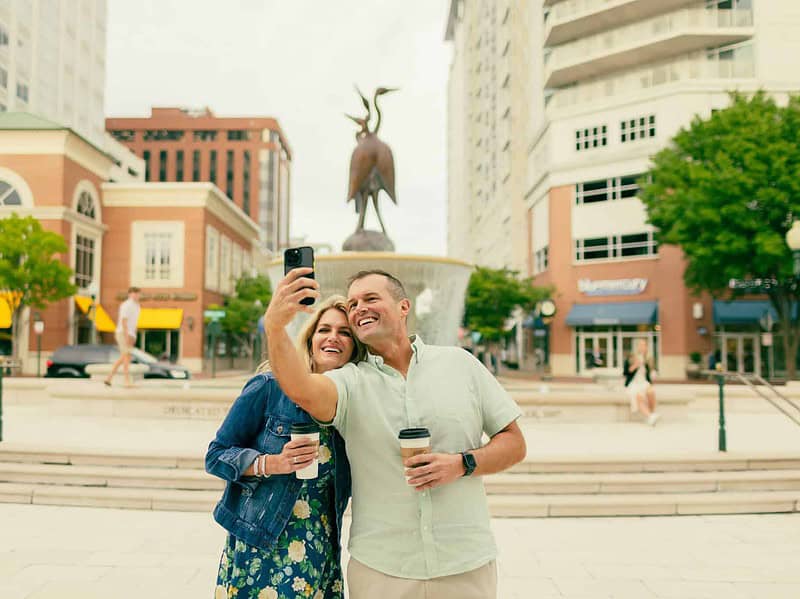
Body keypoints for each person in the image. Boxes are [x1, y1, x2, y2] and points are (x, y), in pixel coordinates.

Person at [264, 268, 527, 599]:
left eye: (371, 298)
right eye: (353, 303)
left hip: (465, 563)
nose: (359, 308)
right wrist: (275, 327)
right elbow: (302, 389)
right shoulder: (350, 381)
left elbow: (514, 443)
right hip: (382, 571)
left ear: (404, 307)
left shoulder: (461, 364)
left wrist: (462, 464)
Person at [206, 295, 365, 599]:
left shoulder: (351, 406)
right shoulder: (269, 386)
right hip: (262, 543)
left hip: (320, 550)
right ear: (310, 338)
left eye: (345, 332)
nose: (333, 337)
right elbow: (215, 455)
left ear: (355, 347)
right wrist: (270, 463)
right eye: (325, 329)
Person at [104, 286, 141, 387]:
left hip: (131, 334)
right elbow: (124, 321)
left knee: (124, 357)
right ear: (129, 294)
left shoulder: (137, 306)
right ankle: (126, 381)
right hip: (123, 333)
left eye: (138, 293)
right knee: (126, 357)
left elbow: (134, 323)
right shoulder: (126, 305)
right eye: (134, 293)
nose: (136, 295)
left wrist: (134, 335)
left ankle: (109, 378)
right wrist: (127, 336)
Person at [623, 339, 659, 426]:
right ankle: (650, 416)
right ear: (637, 347)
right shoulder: (630, 358)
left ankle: (651, 415)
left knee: (651, 392)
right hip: (633, 383)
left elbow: (653, 372)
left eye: (644, 345)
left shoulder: (649, 358)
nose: (642, 347)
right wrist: (636, 365)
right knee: (638, 396)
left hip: (644, 382)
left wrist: (652, 370)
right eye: (640, 345)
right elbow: (626, 372)